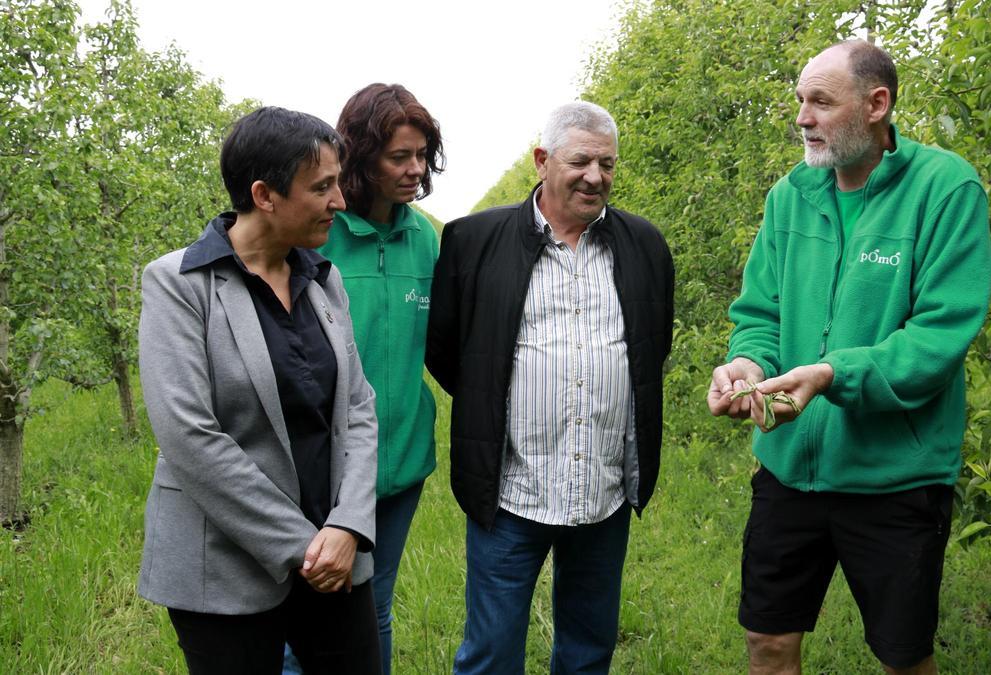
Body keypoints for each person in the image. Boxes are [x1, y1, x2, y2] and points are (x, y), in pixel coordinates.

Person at [707, 40, 991, 674]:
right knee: (769, 641)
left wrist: (834, 374)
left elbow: (940, 333)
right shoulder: (791, 195)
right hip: (788, 468)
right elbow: (760, 314)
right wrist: (747, 368)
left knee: (903, 657)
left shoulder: (945, 188)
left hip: (896, 479)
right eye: (800, 102)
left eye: (820, 102)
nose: (802, 118)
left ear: (877, 104)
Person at [425, 101, 674, 674]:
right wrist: (492, 402)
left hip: (603, 489)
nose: (595, 176)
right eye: (581, 160)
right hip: (512, 490)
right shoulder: (473, 240)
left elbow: (650, 346)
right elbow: (447, 350)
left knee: (589, 649)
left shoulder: (643, 245)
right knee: (490, 652)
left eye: (607, 164)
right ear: (542, 161)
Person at [137, 106, 380, 675]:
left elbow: (359, 407)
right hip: (224, 564)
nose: (340, 201)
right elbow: (189, 436)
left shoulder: (324, 279)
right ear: (264, 195)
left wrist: (348, 525)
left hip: (336, 549)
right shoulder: (179, 285)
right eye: (322, 187)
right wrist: (306, 548)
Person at [282, 83, 444, 675]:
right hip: (320, 469)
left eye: (422, 155)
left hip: (399, 461)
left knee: (374, 606)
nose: (415, 169)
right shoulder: (317, 235)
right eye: (399, 156)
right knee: (304, 619)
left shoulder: (425, 236)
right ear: (360, 155)